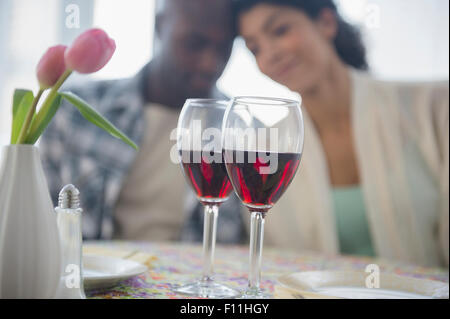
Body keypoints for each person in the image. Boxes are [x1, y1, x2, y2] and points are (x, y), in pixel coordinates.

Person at [232, 0, 449, 267]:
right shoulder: (264, 150)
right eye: (254, 48)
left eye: (279, 31)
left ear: (326, 23)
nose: (269, 54)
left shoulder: (435, 108)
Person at [40, 0, 246, 243]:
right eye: (194, 44)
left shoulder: (238, 129)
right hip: (94, 276)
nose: (210, 62)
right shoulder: (75, 111)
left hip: (193, 278)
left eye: (224, 47)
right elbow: (37, 220)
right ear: (160, 26)